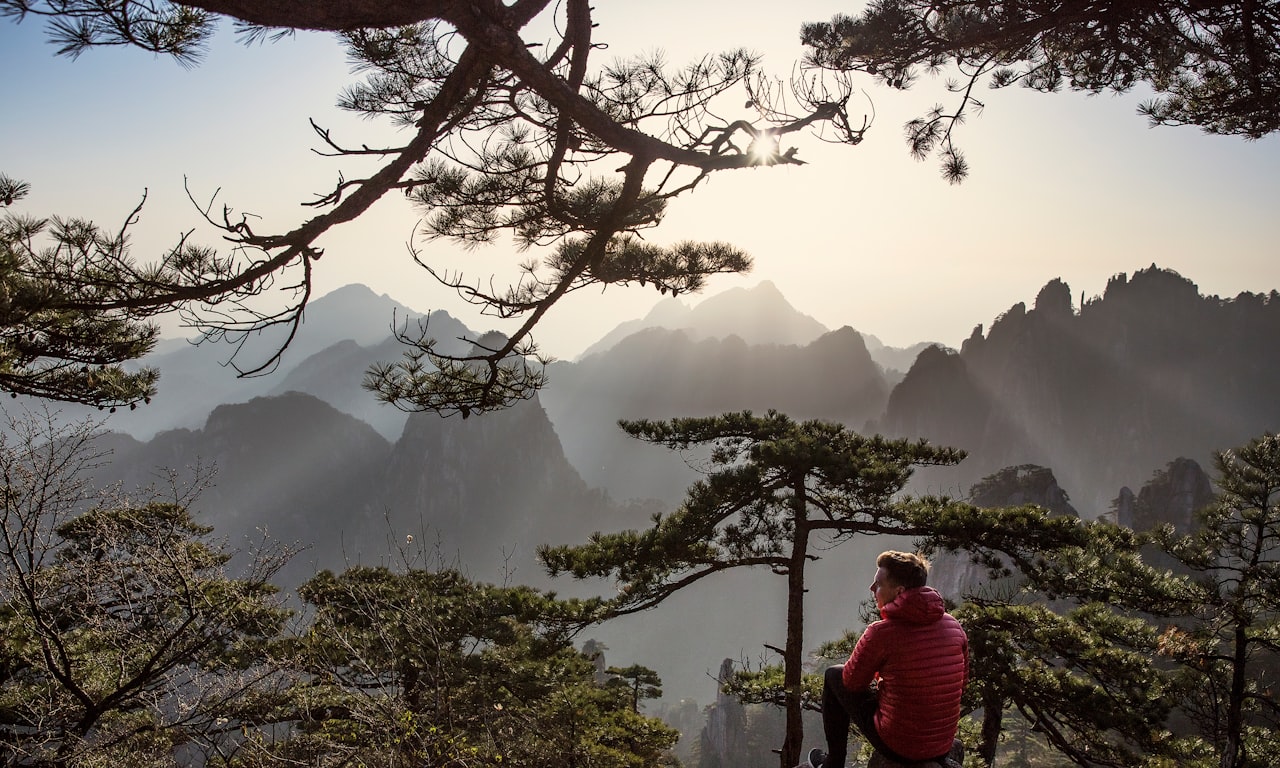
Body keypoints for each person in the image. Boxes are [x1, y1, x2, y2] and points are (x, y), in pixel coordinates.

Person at [809, 550, 968, 768]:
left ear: (899, 591)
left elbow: (852, 683)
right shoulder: (954, 626)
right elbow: (962, 684)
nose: (872, 589)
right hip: (941, 745)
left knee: (834, 675)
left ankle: (833, 763)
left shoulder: (882, 632)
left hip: (901, 747)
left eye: (878, 584)